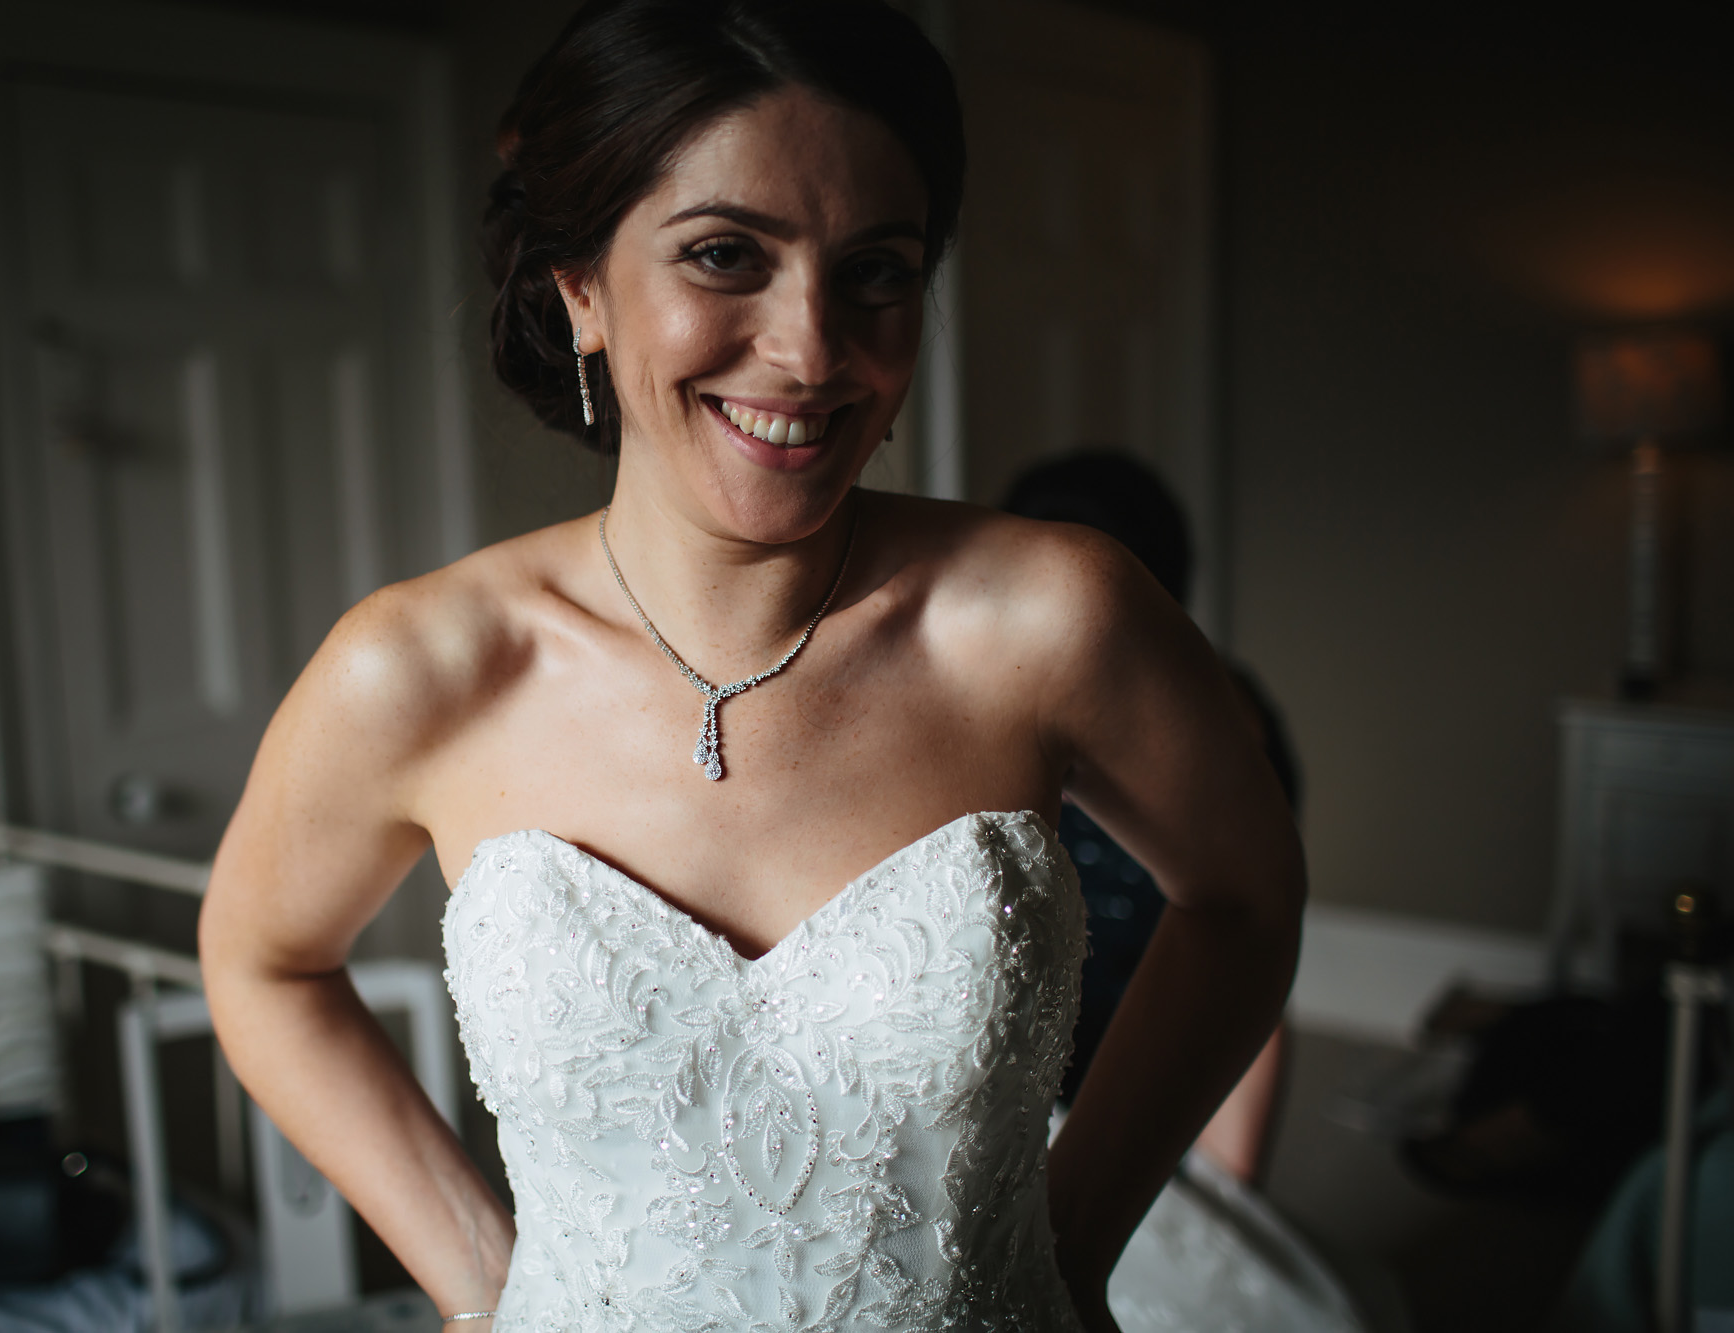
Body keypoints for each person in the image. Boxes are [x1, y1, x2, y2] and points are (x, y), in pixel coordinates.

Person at [198, 3, 1304, 1330]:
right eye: (727, 255)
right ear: (581, 288)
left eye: (877, 272)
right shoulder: (423, 669)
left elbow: (1246, 897)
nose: (812, 350)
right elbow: (259, 960)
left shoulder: (1054, 619)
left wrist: (1074, 1231)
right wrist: (484, 1282)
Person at [1002, 453, 1298, 1186]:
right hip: (1006, 1080)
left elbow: (1250, 956)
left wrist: (1232, 1196)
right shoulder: (979, 709)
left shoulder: (1228, 728)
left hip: (1158, 1074)